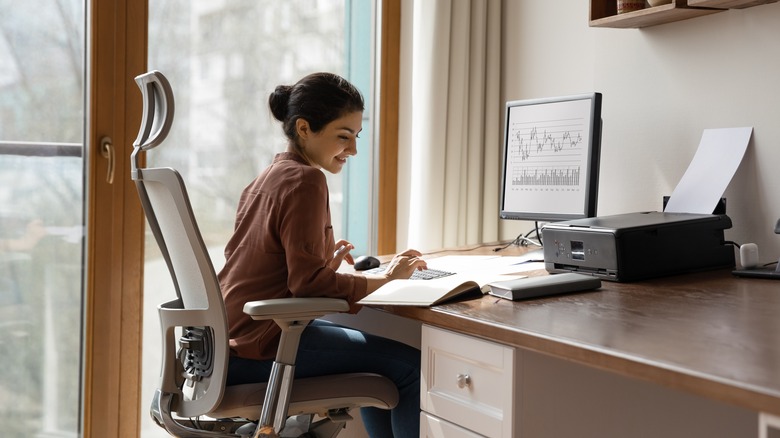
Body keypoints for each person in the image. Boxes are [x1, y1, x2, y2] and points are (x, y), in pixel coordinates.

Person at [218, 72, 427, 438]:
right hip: (262, 348)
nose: (353, 150)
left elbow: (268, 269)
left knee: (381, 373)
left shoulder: (266, 178)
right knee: (411, 368)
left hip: (226, 345)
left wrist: (323, 266)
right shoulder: (306, 181)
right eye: (343, 136)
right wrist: (387, 279)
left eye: (356, 137)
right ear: (304, 128)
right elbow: (306, 283)